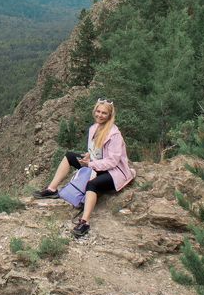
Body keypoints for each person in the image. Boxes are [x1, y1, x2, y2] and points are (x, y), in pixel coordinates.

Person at [34, 98, 135, 238]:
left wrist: (90, 164)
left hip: (114, 172)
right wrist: (88, 157)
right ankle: (52, 189)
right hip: (96, 165)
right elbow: (95, 150)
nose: (100, 115)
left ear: (109, 115)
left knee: (92, 184)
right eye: (98, 111)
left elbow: (112, 161)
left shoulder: (114, 135)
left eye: (104, 113)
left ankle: (85, 222)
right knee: (69, 156)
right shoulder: (94, 128)